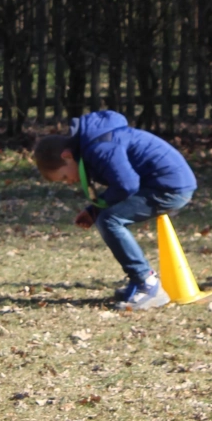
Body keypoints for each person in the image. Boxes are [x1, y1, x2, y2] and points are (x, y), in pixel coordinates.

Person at [33, 110, 197, 310]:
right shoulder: (93, 143)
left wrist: (98, 209)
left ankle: (147, 283)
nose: (70, 182)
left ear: (66, 156)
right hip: (165, 184)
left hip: (170, 187)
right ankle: (139, 282)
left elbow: (127, 185)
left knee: (110, 220)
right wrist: (94, 210)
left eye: (65, 177)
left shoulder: (99, 147)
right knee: (107, 217)